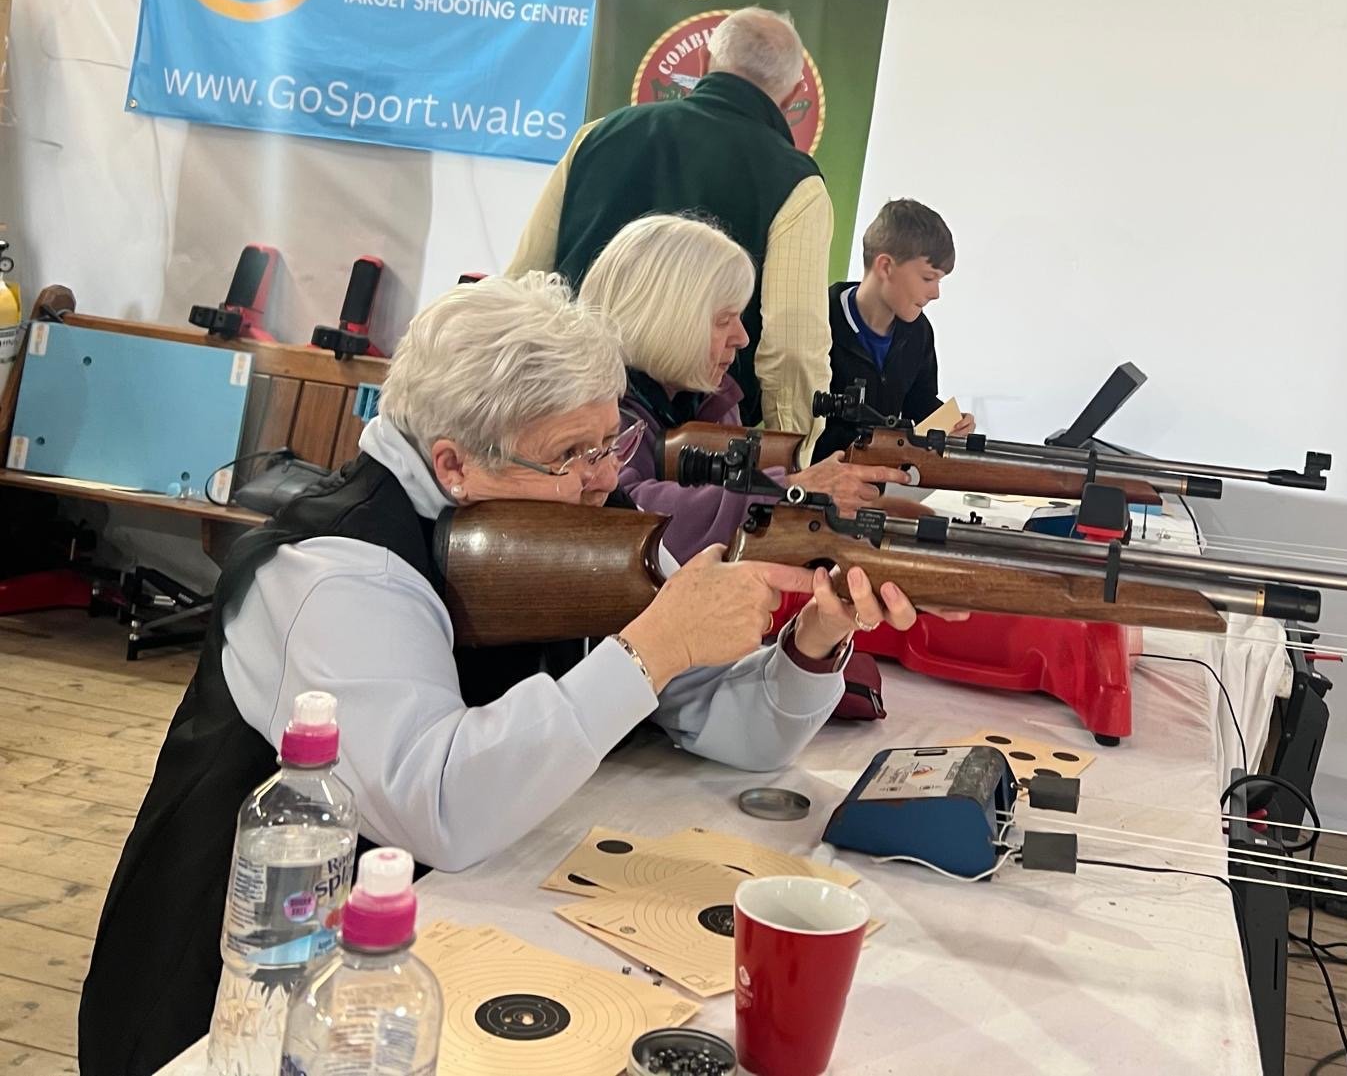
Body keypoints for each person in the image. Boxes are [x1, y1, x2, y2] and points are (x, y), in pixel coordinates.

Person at [78, 273, 930, 1076]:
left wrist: (813, 642)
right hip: (232, 1003)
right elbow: (437, 806)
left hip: (437, 962)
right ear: (453, 464)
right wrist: (650, 648)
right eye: (571, 453)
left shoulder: (562, 529)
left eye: (610, 441)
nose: (607, 478)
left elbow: (731, 735)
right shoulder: (337, 569)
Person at [507, 6, 832, 455]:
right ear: (796, 92)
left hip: (563, 421)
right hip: (693, 454)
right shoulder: (797, 183)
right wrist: (791, 462)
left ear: (702, 63)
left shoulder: (596, 137)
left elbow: (526, 284)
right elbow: (792, 348)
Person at [582, 214, 909, 561]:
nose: (742, 337)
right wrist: (790, 491)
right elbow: (626, 511)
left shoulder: (710, 398)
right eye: (724, 320)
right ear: (663, 321)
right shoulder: (594, 411)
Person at [814, 199, 977, 463]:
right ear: (886, 266)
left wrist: (952, 425)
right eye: (928, 278)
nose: (935, 293)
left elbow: (917, 400)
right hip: (812, 485)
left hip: (875, 489)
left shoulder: (919, 331)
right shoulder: (821, 318)